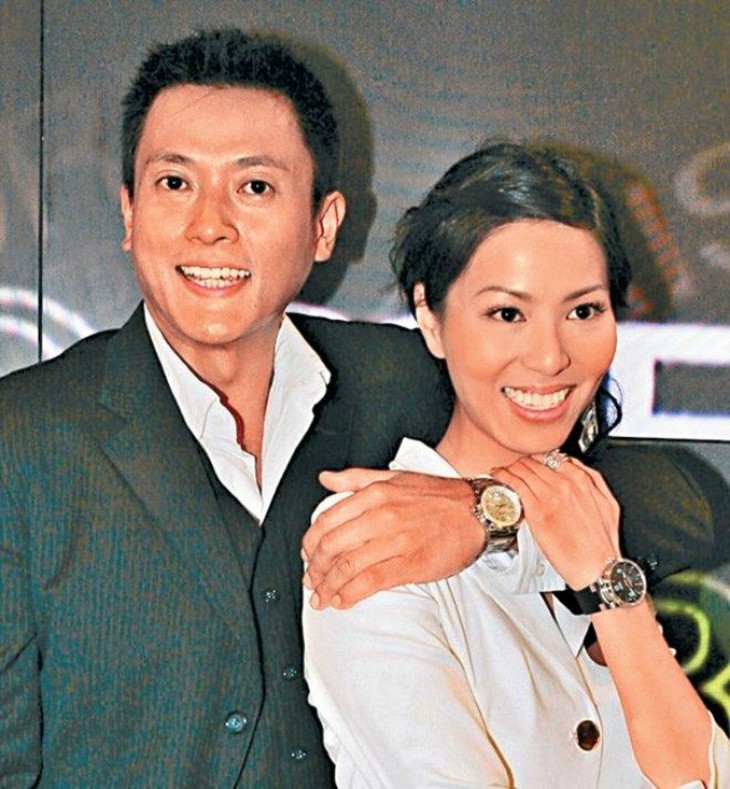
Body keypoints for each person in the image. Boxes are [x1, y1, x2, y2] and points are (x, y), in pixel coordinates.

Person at [0, 27, 723, 786]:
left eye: (254, 187)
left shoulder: (401, 380)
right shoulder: (25, 440)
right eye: (174, 183)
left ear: (325, 225)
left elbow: (675, 501)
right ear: (128, 213)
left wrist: (487, 510)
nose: (209, 225)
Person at [303, 141, 730, 787]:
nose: (551, 356)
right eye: (507, 313)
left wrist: (608, 583)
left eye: (583, 311)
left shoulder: (595, 525)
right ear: (431, 318)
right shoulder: (376, 536)